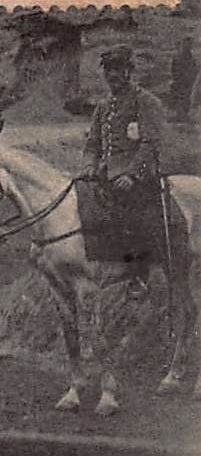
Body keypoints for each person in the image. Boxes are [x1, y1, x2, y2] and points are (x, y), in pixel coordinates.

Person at [83, 45, 166, 296]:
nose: (112, 76)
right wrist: (89, 165)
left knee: (132, 215)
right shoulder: (103, 106)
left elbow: (150, 144)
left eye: (117, 70)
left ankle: (139, 275)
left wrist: (131, 174)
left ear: (129, 72)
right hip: (106, 173)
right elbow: (92, 144)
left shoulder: (146, 101)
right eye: (108, 71)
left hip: (137, 174)